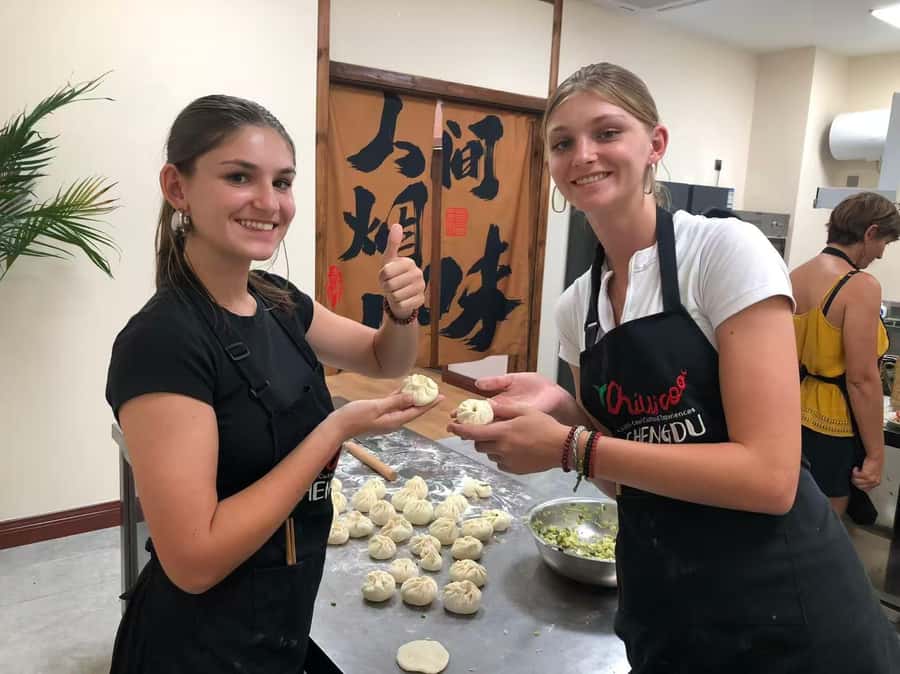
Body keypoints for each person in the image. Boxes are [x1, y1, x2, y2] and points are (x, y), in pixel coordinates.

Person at [449, 63, 900, 672]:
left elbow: (770, 479)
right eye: (562, 143)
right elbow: (623, 473)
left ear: (654, 145)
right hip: (665, 603)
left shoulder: (721, 253)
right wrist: (561, 408)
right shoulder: (574, 307)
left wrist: (570, 447)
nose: (583, 155)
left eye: (607, 133)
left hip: (781, 612)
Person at [105, 95, 434, 673]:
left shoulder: (278, 301)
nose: (269, 203)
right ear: (177, 188)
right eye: (239, 177)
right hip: (199, 648)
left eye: (283, 182)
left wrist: (401, 312)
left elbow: (386, 360)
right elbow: (195, 559)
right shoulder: (162, 343)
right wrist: (333, 430)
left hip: (281, 620)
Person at [791, 192, 898, 517]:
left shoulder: (795, 275)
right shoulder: (860, 286)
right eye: (885, 243)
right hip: (834, 426)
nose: (880, 254)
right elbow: (862, 380)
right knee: (825, 528)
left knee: (791, 520)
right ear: (870, 232)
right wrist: (876, 455)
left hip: (791, 411)